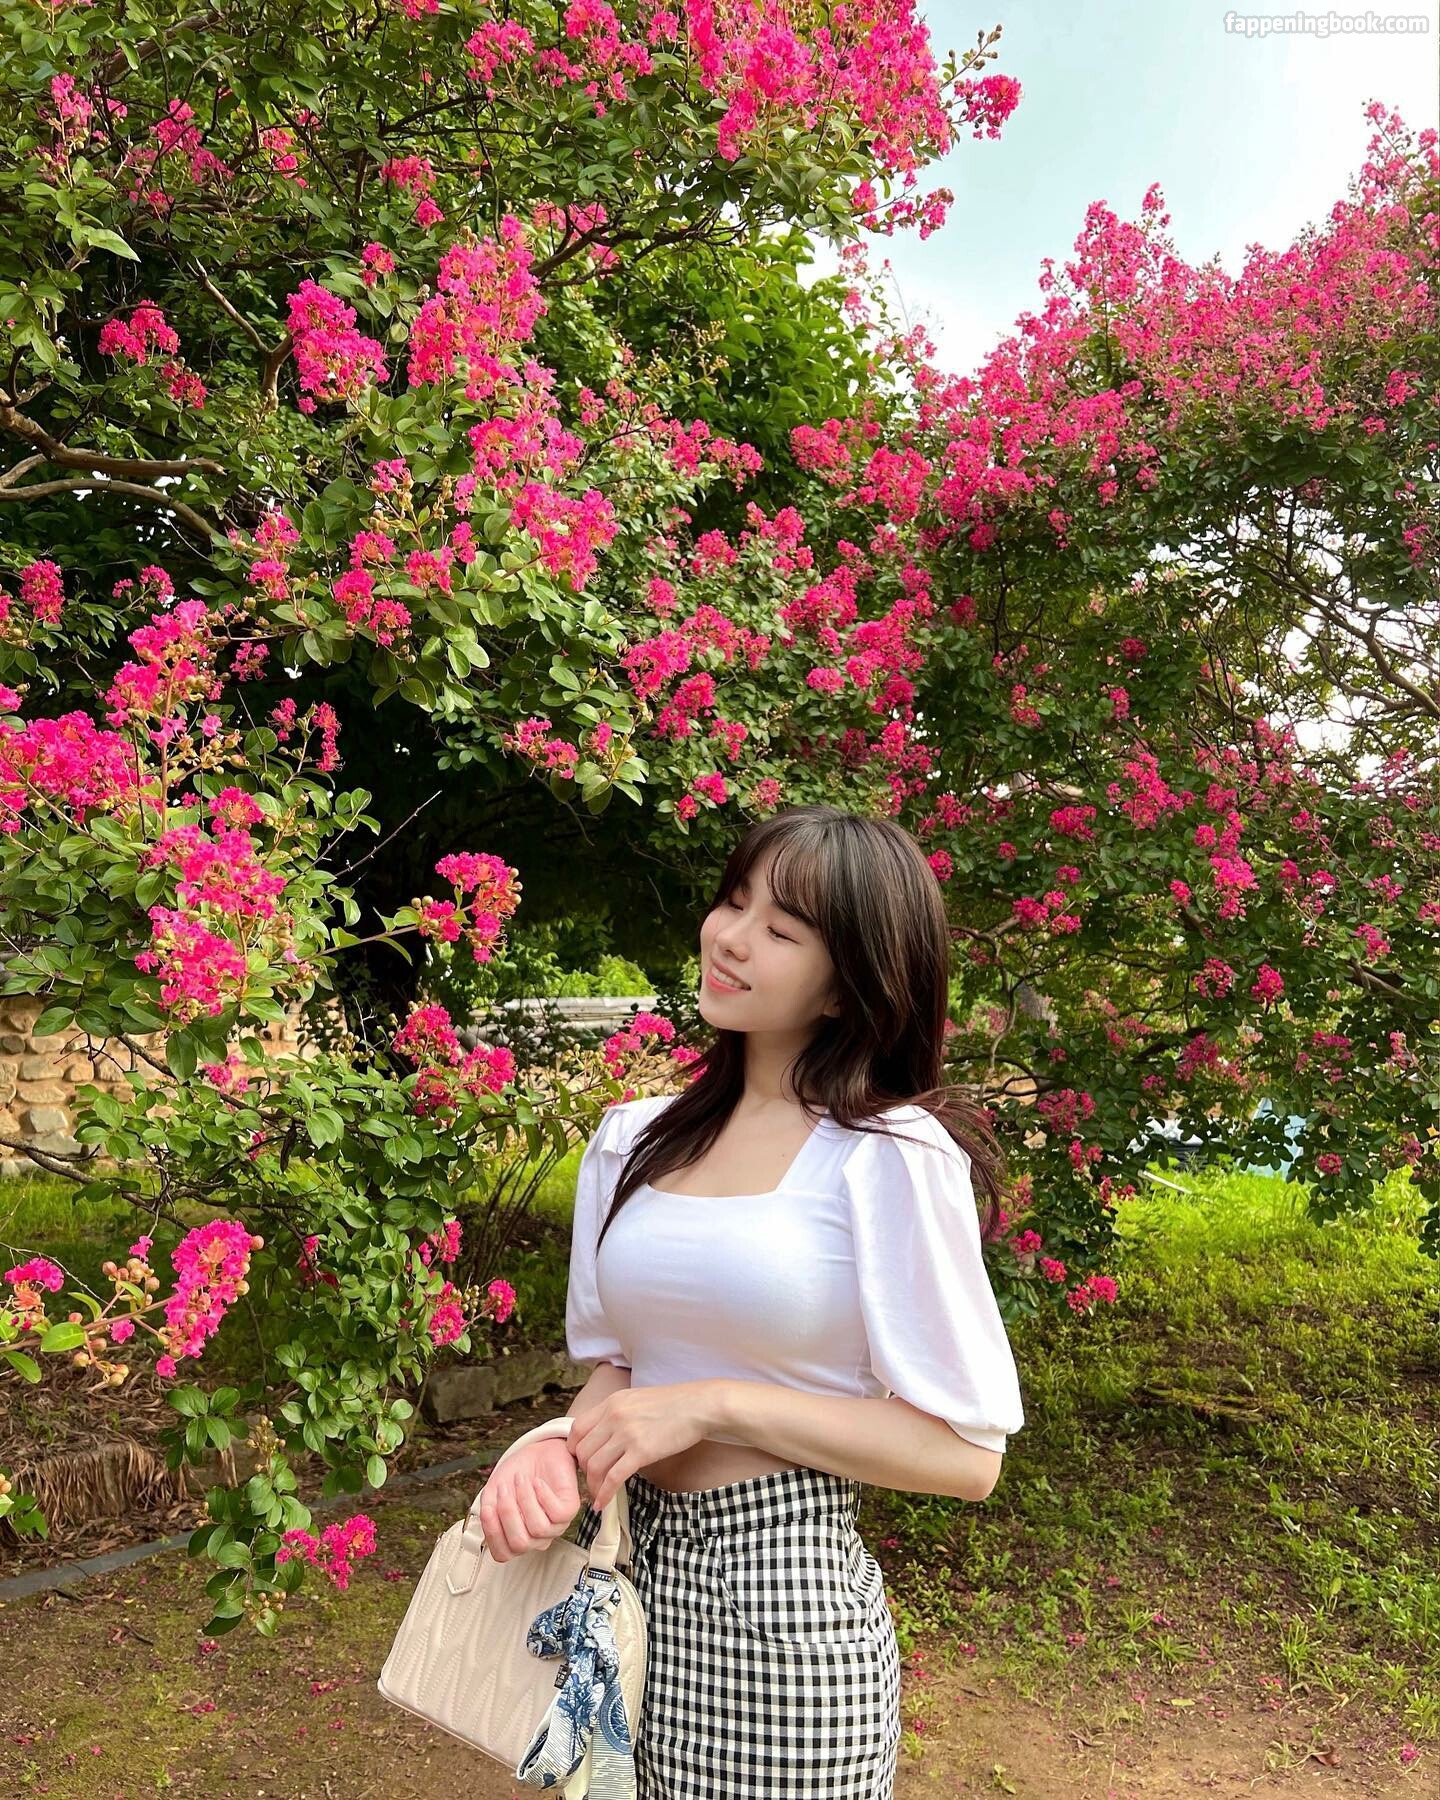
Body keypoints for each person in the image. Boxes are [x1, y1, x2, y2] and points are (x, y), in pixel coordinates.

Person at [476, 802, 1025, 1798]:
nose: (731, 937)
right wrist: (556, 1451)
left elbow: (966, 1456)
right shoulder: (633, 1141)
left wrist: (715, 1405)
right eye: (734, 902)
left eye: (782, 929)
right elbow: (623, 1371)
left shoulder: (889, 1157)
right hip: (619, 1587)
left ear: (846, 983)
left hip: (783, 1615)